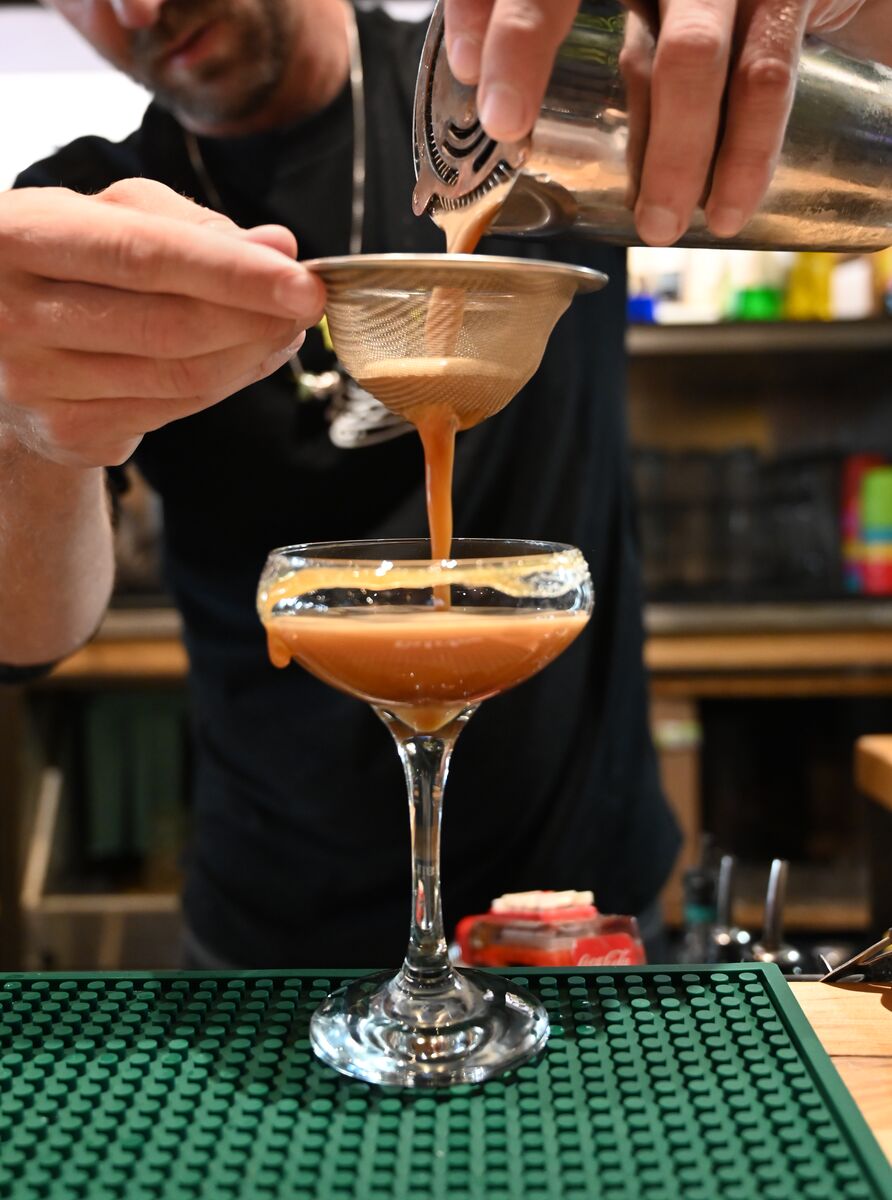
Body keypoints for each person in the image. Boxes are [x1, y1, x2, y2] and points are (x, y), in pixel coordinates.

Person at [0, 0, 888, 968]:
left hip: (578, 931)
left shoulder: (528, 87)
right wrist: (21, 433)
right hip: (263, 957)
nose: (136, 5)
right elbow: (28, 633)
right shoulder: (89, 210)